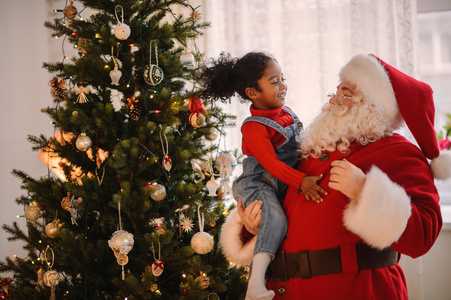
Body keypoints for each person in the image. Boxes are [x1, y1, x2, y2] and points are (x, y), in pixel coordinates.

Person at [220, 53, 451, 299]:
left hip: (355, 290)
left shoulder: (398, 151)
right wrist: (252, 225)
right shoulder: (311, 150)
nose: (335, 99)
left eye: (347, 93)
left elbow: (423, 236)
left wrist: (365, 192)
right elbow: (279, 202)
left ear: (372, 106)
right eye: (337, 89)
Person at [199, 52, 327, 300]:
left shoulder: (287, 114)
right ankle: (255, 283)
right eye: (274, 81)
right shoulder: (254, 127)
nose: (283, 86)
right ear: (253, 93)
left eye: (282, 78)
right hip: (259, 183)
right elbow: (272, 165)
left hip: (282, 181)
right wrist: (302, 181)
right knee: (275, 217)